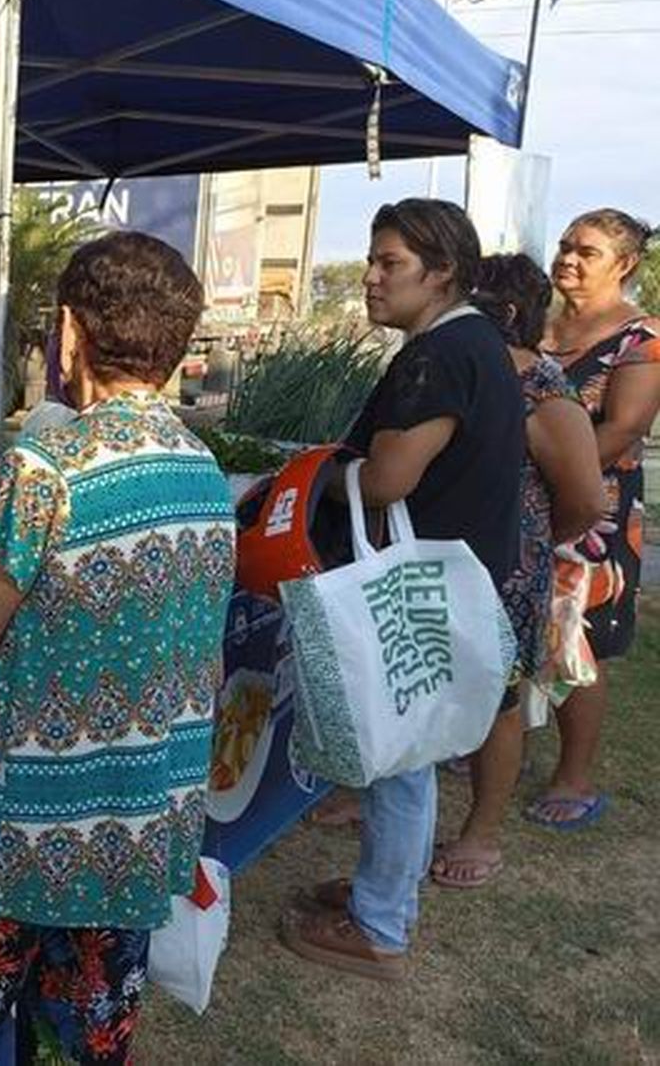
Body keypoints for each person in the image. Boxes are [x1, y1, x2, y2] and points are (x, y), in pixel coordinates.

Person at [0, 232, 235, 1062]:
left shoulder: (44, 469)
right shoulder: (204, 470)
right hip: (134, 836)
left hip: (9, 847)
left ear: (71, 333)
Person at [280, 200, 524, 981]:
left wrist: (316, 469)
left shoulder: (436, 357)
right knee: (412, 744)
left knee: (399, 755)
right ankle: (385, 892)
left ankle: (380, 925)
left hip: (418, 581)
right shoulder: (477, 341)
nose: (371, 277)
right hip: (455, 573)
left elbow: (387, 480)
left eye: (391, 264)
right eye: (373, 259)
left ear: (442, 271)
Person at [430, 254, 605, 887]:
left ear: (499, 314)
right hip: (441, 558)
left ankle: (482, 834)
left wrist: (530, 544)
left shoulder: (543, 390)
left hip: (504, 569)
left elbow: (587, 499)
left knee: (497, 701)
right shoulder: (461, 370)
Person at [529, 209, 660, 830]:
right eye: (563, 246)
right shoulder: (538, 323)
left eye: (586, 251)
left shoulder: (642, 339)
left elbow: (624, 428)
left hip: (593, 512)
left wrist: (553, 481)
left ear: (625, 264)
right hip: (524, 498)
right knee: (515, 619)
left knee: (576, 640)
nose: (568, 259)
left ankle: (574, 775)